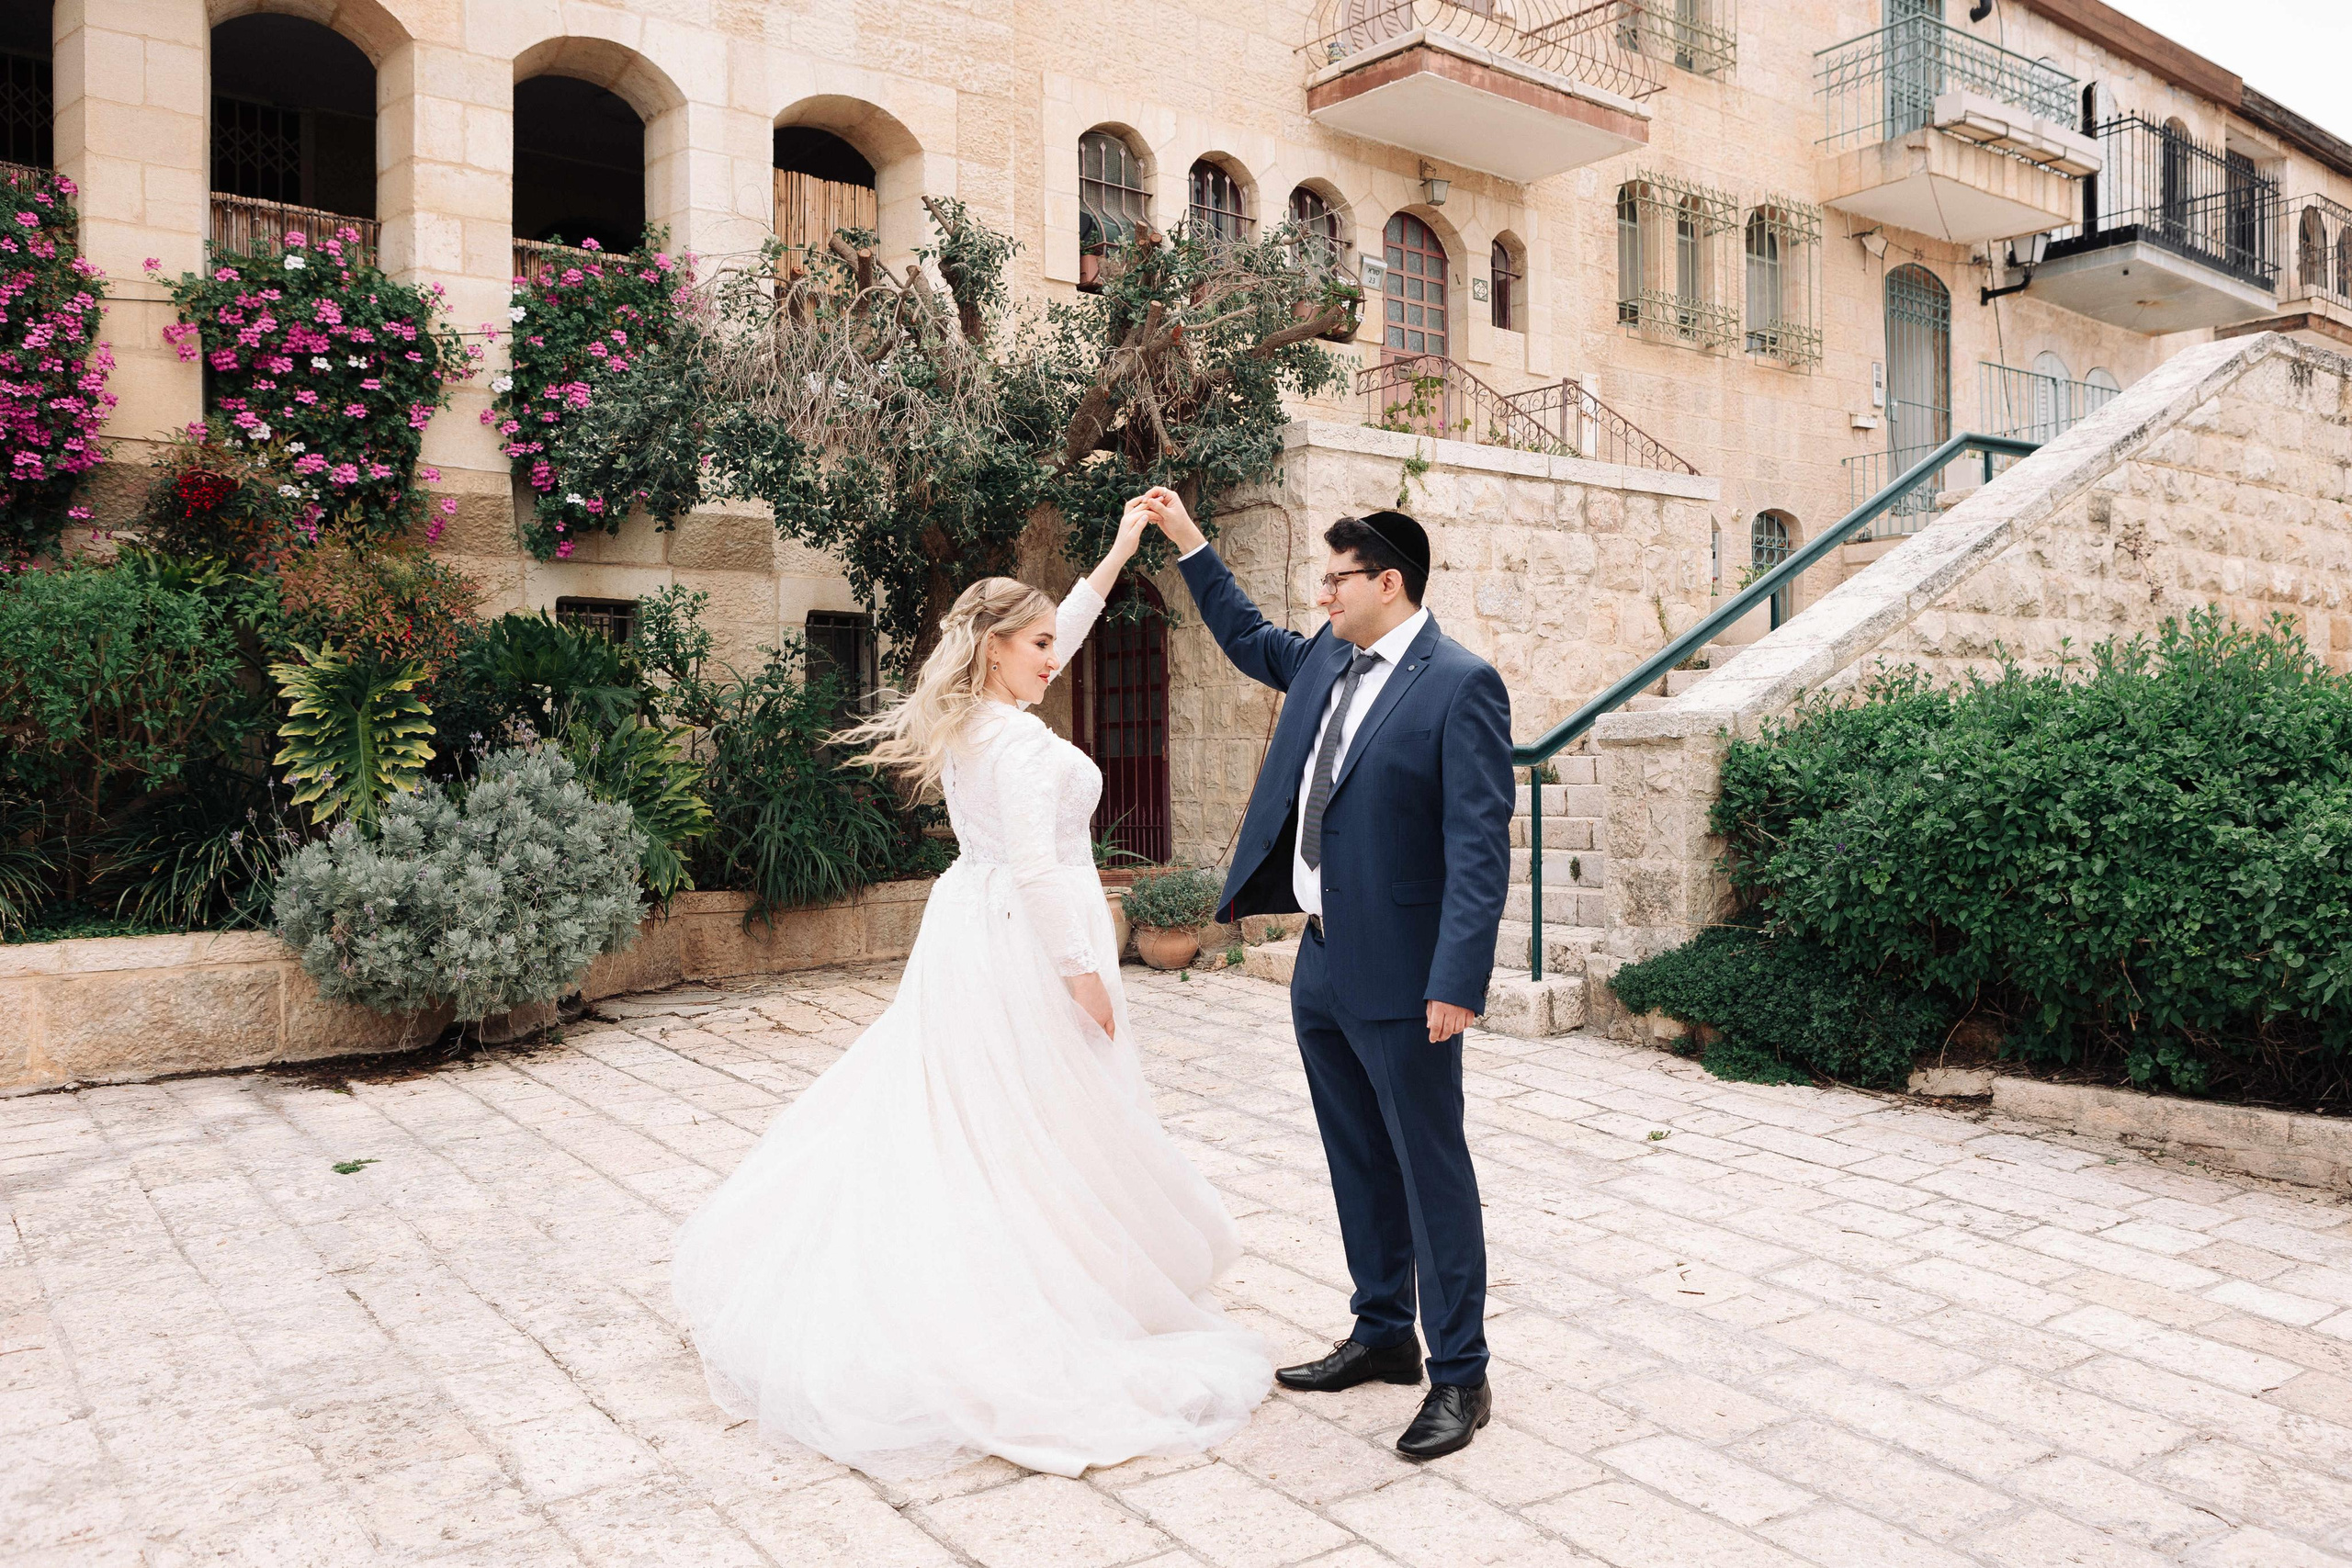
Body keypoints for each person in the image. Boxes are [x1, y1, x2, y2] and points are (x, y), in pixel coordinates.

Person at [671, 500, 1271, 1481]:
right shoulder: (1019, 746)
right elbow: (1039, 871)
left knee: (975, 1110)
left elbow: (1058, 629)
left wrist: (1120, 545)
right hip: (1025, 942)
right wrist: (1086, 979)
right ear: (995, 649)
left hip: (970, 930)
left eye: (1051, 642)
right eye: (1037, 646)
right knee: (1032, 1114)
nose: (1054, 658)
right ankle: (1033, 1290)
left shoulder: (975, 721)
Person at [1138, 487, 1512, 1461]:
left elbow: (1478, 848)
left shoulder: (1460, 684)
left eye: (1338, 578)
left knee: (1430, 1172)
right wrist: (1187, 542)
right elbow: (1241, 631)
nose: (1323, 592)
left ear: (1389, 582)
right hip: (1321, 960)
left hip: (1407, 976)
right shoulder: (1322, 661)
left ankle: (1460, 1377)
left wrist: (1456, 979)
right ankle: (1384, 1331)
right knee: (1356, 1159)